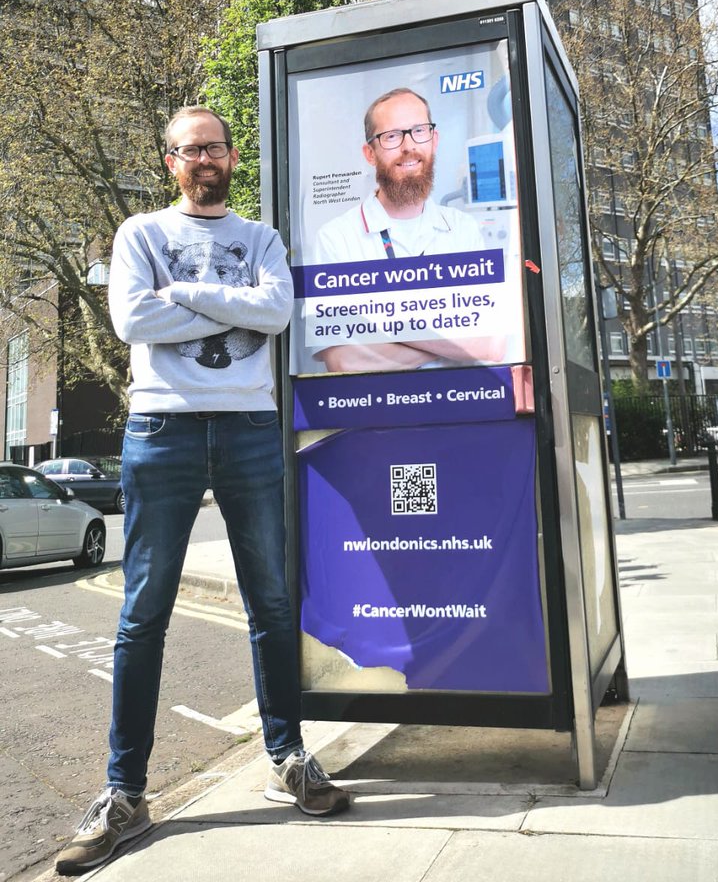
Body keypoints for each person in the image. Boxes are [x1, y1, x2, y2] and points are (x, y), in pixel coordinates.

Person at [56, 106, 349, 876]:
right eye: (190, 150)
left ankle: (287, 757)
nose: (204, 159)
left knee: (272, 603)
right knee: (142, 612)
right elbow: (129, 319)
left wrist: (179, 297)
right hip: (163, 431)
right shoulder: (139, 236)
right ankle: (124, 794)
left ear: (232, 155)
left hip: (252, 427)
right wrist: (221, 300)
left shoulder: (262, 239)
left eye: (215, 147)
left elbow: (276, 310)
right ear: (169, 162)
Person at [312, 87, 505, 372]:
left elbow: (492, 344)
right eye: (391, 136)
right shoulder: (336, 238)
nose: (408, 146)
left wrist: (384, 327)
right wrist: (451, 341)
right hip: (379, 411)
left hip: (462, 403)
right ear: (370, 153)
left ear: (434, 140)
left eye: (419, 131)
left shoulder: (464, 230)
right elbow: (344, 361)